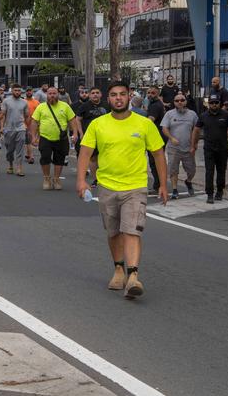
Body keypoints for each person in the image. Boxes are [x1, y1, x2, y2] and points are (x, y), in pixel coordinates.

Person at [77, 81, 168, 299]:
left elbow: (158, 153)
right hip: (107, 186)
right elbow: (85, 153)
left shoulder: (144, 124)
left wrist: (163, 184)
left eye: (122, 94)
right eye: (114, 95)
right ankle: (118, 269)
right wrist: (81, 180)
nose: (118, 98)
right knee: (113, 232)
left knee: (132, 230)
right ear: (108, 99)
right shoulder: (98, 124)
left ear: (129, 97)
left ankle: (133, 275)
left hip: (135, 186)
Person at [29, 87, 81, 190]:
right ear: (47, 95)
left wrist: (75, 133)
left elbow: (72, 120)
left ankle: (56, 179)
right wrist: (34, 136)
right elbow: (34, 122)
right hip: (45, 137)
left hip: (61, 138)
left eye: (54, 93)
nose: (52, 95)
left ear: (58, 95)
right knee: (45, 158)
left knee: (60, 159)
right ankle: (47, 178)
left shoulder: (65, 106)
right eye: (50, 94)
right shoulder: (41, 107)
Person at [191, 93, 228, 203]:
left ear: (219, 103)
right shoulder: (203, 116)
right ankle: (210, 194)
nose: (214, 105)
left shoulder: (226, 115)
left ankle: (220, 191)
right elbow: (196, 130)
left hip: (223, 149)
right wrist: (194, 145)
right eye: (212, 103)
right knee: (209, 171)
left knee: (221, 171)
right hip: (209, 149)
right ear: (208, 104)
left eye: (216, 103)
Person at [160, 93, 198, 199]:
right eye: (177, 101)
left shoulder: (193, 115)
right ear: (174, 102)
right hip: (173, 148)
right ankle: (175, 189)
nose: (180, 102)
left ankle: (188, 181)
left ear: (185, 101)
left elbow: (197, 129)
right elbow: (164, 128)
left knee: (191, 170)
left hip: (188, 148)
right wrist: (171, 138)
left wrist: (194, 144)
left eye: (182, 100)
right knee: (173, 170)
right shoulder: (169, 114)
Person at [75, 87, 109, 186]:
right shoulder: (84, 106)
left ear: (101, 94)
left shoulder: (107, 106)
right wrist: (81, 133)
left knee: (105, 157)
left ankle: (106, 178)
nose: (95, 95)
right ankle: (96, 179)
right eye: (93, 93)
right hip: (90, 136)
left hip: (105, 135)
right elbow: (78, 119)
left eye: (97, 93)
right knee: (93, 158)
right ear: (90, 95)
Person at [1, 83, 30, 176]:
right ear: (12, 91)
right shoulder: (6, 101)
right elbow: (3, 115)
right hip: (9, 128)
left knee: (20, 149)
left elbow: (27, 116)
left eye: (19, 91)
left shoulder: (24, 102)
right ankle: (10, 165)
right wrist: (2, 127)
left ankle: (19, 168)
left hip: (21, 128)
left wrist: (27, 127)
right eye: (15, 90)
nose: (17, 92)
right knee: (10, 150)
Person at [146, 85, 166, 193]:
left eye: (153, 93)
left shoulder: (155, 105)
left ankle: (158, 185)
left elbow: (150, 121)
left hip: (156, 137)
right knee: (154, 162)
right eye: (148, 93)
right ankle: (157, 184)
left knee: (155, 162)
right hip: (156, 136)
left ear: (158, 94)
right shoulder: (153, 104)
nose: (150, 95)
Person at [24, 87, 40, 164]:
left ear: (32, 92)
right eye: (27, 91)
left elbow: (40, 113)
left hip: (34, 123)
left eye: (30, 91)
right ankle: (30, 155)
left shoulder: (36, 102)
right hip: (24, 123)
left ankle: (29, 155)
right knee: (28, 140)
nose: (29, 92)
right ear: (25, 92)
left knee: (30, 140)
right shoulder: (23, 101)